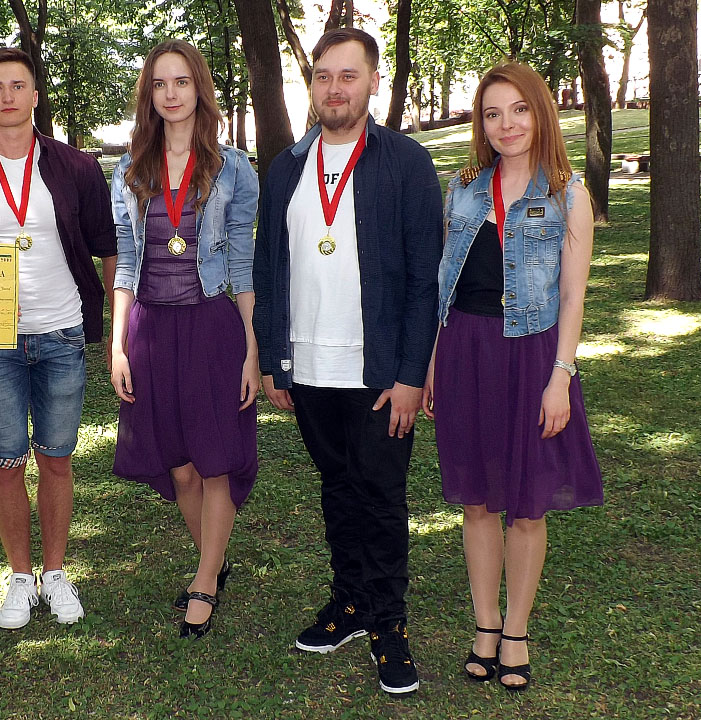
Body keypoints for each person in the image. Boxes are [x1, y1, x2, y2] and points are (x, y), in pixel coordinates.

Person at [252, 28, 443, 695]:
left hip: (381, 371)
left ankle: (391, 625)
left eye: (349, 76)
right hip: (308, 368)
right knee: (337, 486)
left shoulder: (406, 163)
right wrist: (276, 360)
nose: (335, 89)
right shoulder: (285, 166)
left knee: (382, 495)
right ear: (312, 85)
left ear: (373, 82)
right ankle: (352, 606)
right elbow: (268, 266)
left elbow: (426, 279)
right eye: (324, 76)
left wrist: (413, 374)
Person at [424, 61, 603, 692]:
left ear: (541, 113)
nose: (507, 124)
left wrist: (561, 376)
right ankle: (485, 625)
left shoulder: (567, 194)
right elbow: (445, 286)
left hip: (532, 355)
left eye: (519, 109)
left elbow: (574, 300)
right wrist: (434, 366)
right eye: (493, 113)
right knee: (476, 498)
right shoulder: (465, 187)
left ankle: (518, 631)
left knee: (527, 503)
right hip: (466, 350)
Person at [0, 47, 117, 630]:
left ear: (35, 96)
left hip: (60, 331)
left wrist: (116, 329)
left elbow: (109, 249)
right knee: (6, 462)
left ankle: (56, 574)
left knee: (56, 460)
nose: (8, 95)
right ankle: (19, 578)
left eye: (18, 85)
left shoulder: (77, 167)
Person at [108, 40, 260, 640]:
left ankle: (204, 581)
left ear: (200, 89)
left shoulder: (234, 169)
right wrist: (118, 344)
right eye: (159, 84)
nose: (171, 94)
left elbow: (243, 263)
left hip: (213, 324)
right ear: (148, 95)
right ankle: (214, 563)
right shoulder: (129, 170)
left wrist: (251, 345)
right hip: (150, 328)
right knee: (179, 466)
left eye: (181, 82)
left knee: (214, 458)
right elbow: (124, 263)